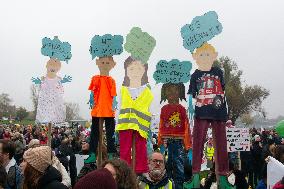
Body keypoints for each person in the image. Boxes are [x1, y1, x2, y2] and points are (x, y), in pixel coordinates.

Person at [186, 43, 232, 188]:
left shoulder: (218, 71)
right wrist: (190, 106)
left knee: (221, 143)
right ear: (196, 58)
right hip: (201, 111)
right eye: (201, 55)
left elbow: (223, 91)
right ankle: (195, 175)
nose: (205, 57)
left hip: (218, 111)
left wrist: (226, 107)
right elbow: (190, 93)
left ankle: (223, 176)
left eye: (208, 54)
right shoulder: (195, 75)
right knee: (198, 141)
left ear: (214, 56)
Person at [116, 56, 154, 174]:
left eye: (138, 69)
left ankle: (140, 170)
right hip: (125, 123)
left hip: (141, 124)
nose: (135, 72)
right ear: (126, 71)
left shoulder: (147, 91)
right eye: (131, 69)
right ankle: (125, 170)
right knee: (125, 149)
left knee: (141, 148)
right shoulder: (123, 89)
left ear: (144, 70)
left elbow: (149, 109)